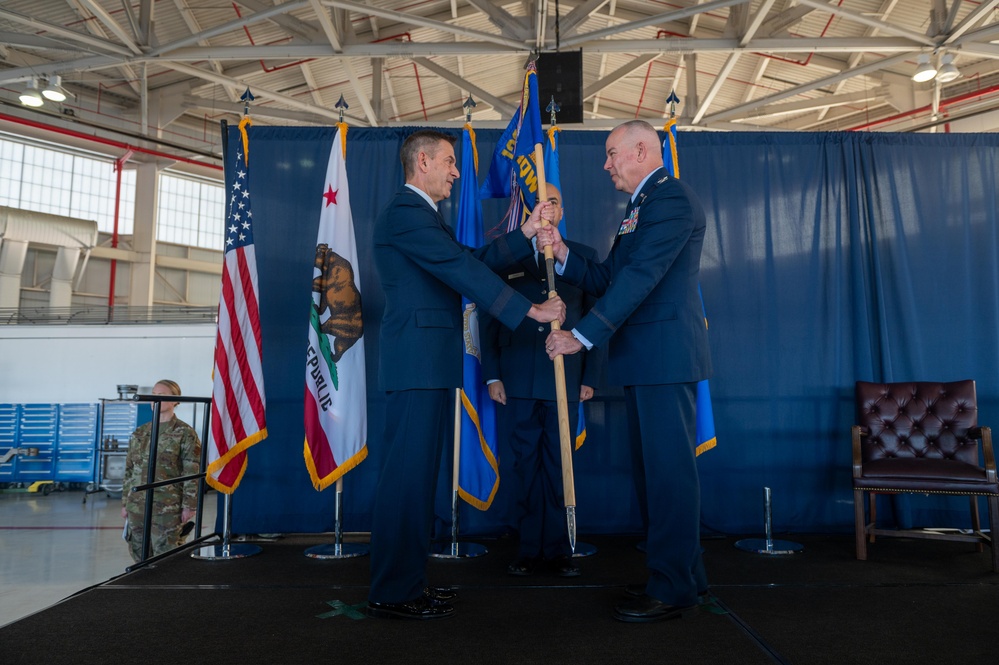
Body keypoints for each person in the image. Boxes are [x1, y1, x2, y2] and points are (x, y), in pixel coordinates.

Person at [367, 129, 566, 620]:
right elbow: (461, 270)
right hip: (416, 364)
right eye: (451, 163)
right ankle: (393, 591)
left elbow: (469, 261)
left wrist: (522, 234)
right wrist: (530, 312)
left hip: (427, 364)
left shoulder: (422, 216)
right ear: (424, 161)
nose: (457, 172)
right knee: (405, 482)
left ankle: (408, 583)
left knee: (418, 481)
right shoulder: (405, 213)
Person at [540, 120, 712, 623]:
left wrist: (582, 335)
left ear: (641, 150)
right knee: (655, 476)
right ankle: (685, 576)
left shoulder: (670, 200)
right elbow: (607, 276)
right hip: (647, 359)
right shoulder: (642, 206)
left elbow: (640, 278)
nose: (606, 163)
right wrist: (563, 248)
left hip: (665, 358)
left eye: (612, 153)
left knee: (668, 476)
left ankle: (673, 588)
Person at [480, 184, 602, 578]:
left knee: (558, 465)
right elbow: (490, 318)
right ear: (527, 212)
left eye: (552, 202)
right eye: (538, 203)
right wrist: (494, 374)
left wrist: (591, 376)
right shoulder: (508, 256)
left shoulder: (584, 258)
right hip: (517, 378)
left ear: (562, 211)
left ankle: (560, 548)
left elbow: (598, 321)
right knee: (524, 465)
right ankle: (529, 548)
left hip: (565, 380)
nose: (545, 208)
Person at [121, 380, 202, 563]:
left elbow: (192, 471)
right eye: (153, 394)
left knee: (167, 555)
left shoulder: (185, 433)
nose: (154, 399)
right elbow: (129, 470)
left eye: (161, 394)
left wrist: (189, 505)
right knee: (139, 554)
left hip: (167, 506)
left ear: (175, 400)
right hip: (137, 506)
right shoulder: (140, 433)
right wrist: (125, 502)